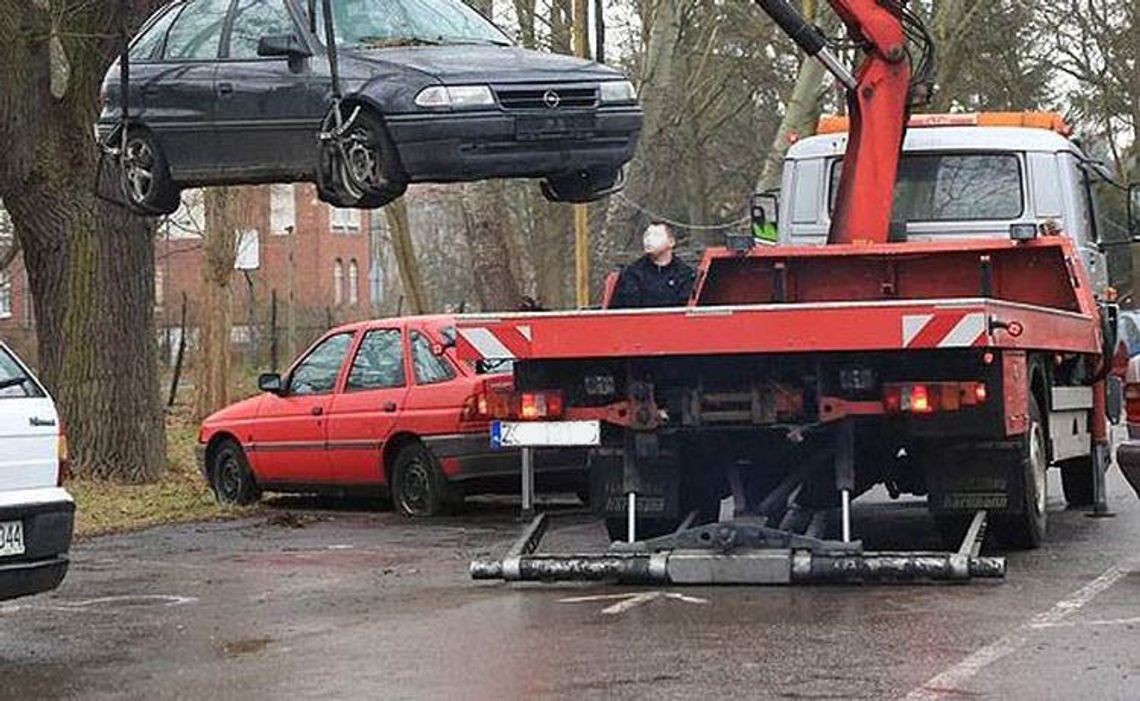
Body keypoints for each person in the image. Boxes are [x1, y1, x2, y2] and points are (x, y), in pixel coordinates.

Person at [610, 223, 696, 309]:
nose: (649, 239)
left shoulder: (685, 274)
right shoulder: (632, 273)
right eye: (646, 235)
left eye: (656, 235)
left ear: (671, 242)